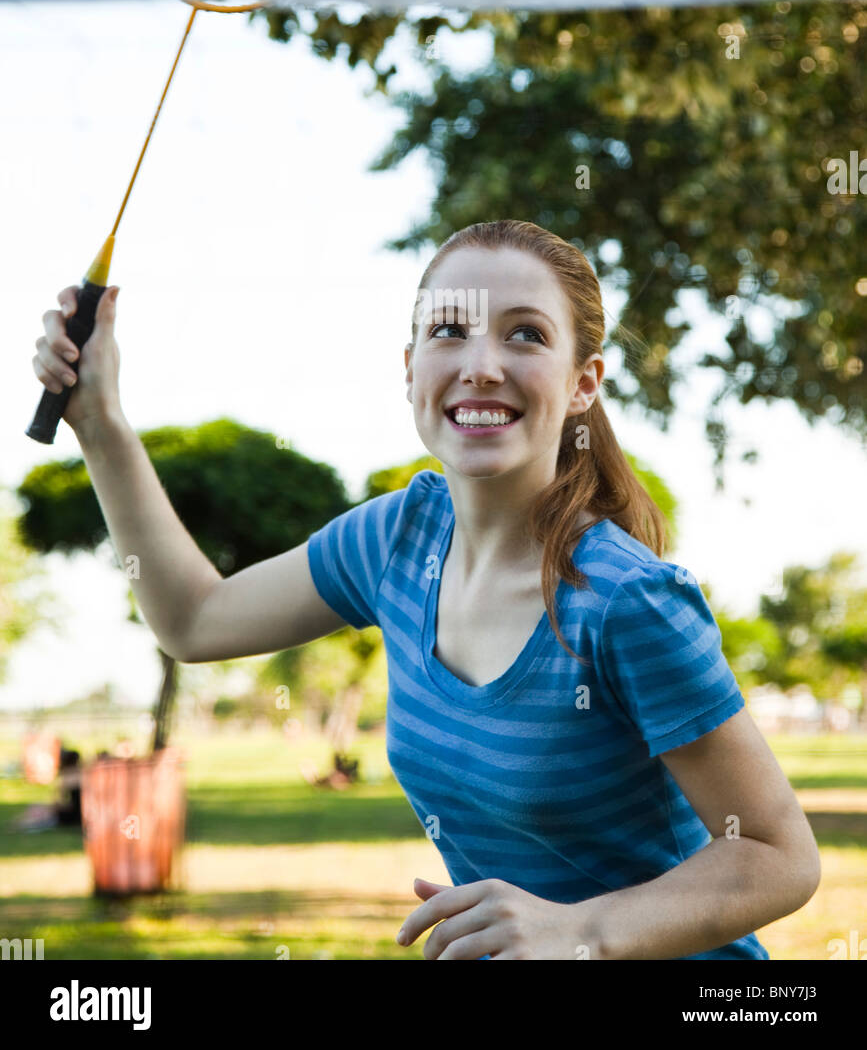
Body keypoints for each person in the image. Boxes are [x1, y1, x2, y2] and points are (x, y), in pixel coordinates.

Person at [32, 219, 821, 960]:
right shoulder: (393, 541)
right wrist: (100, 420)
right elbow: (194, 621)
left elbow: (778, 854)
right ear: (410, 367)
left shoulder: (625, 602)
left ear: (583, 384)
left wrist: (578, 930)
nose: (481, 363)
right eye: (448, 330)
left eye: (525, 333)